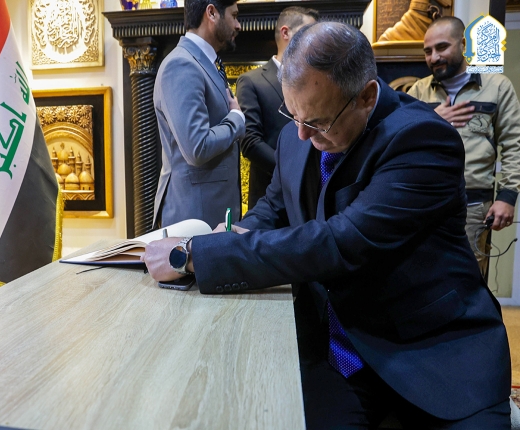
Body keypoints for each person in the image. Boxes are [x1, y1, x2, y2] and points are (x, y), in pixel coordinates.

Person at [143, 22, 511, 428]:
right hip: (335, 351)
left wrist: (193, 254)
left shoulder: (423, 139)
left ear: (366, 96)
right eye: (292, 113)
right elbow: (274, 207)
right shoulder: (298, 132)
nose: (301, 133)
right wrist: (237, 233)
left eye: (317, 121)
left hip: (433, 357)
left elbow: (341, 242)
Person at [408, 16, 520, 277]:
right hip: (423, 202)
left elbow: (514, 144)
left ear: (463, 44)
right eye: (428, 51)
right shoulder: (417, 91)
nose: (434, 57)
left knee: (466, 278)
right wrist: (432, 119)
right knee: (423, 278)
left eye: (442, 47)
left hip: (473, 205)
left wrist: (507, 197)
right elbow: (398, 140)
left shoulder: (497, 87)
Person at [152, 0, 245, 230]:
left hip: (210, 213)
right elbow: (197, 147)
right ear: (211, 13)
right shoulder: (181, 64)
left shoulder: (206, 62)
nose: (238, 25)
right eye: (234, 16)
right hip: (193, 218)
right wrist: (236, 119)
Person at [236, 7, 318, 207]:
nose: (314, 40)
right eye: (308, 32)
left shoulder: (317, 80)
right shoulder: (251, 81)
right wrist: (291, 170)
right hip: (270, 196)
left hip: (314, 193)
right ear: (285, 32)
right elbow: (250, 142)